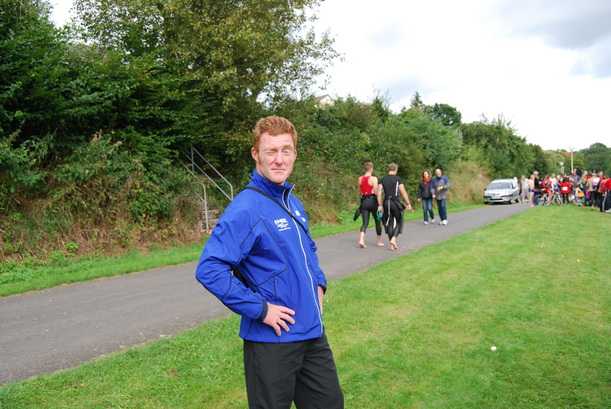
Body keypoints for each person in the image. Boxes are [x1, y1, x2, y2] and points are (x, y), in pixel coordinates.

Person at [195, 116, 343, 409]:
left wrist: (319, 282)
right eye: (271, 151)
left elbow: (308, 248)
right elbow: (209, 269)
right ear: (256, 154)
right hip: (272, 342)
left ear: (295, 153)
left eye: (285, 150)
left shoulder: (292, 202)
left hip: (312, 335)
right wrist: (260, 309)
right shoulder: (246, 208)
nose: (279, 159)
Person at [377, 163, 412, 251]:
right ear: (396, 169)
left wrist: (380, 205)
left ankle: (391, 245)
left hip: (386, 203)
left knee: (390, 223)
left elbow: (379, 193)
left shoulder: (383, 179)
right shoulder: (398, 179)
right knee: (400, 221)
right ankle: (393, 239)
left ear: (388, 169)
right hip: (395, 202)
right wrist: (408, 203)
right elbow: (403, 192)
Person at [357, 161, 383, 248]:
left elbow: (360, 192)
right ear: (371, 169)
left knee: (365, 223)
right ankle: (379, 241)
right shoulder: (374, 179)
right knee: (378, 220)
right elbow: (376, 192)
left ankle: (361, 239)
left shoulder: (360, 178)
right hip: (373, 201)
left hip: (364, 201)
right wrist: (380, 204)